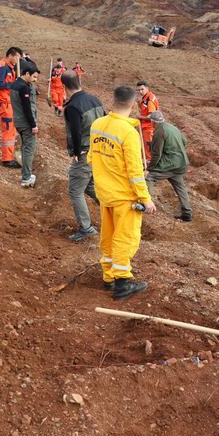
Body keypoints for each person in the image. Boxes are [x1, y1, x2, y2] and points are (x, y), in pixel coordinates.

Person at [89, 85, 156, 300]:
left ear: (113, 100)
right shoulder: (127, 133)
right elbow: (135, 172)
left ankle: (108, 276)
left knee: (108, 235)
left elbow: (92, 157)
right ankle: (122, 282)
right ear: (134, 104)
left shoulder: (97, 125)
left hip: (104, 193)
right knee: (125, 238)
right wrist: (146, 199)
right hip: (124, 197)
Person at [61, 70, 104, 241]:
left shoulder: (72, 107)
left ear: (64, 87)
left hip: (86, 152)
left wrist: (77, 153)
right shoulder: (95, 99)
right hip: (100, 151)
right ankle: (115, 211)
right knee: (90, 186)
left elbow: (76, 133)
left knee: (75, 191)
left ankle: (86, 228)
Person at [146, 111, 192, 222]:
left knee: (149, 178)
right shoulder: (173, 127)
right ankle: (187, 213)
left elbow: (157, 154)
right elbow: (184, 141)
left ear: (153, 122)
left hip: (170, 164)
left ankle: (145, 205)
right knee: (180, 187)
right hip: (181, 163)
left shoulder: (159, 132)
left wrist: (149, 168)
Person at [10, 61, 40, 188]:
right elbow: (27, 108)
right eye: (34, 77)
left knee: (25, 147)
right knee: (29, 149)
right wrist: (33, 125)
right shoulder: (23, 87)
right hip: (26, 123)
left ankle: (25, 174)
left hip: (18, 121)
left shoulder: (15, 84)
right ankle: (26, 178)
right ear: (26, 73)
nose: (35, 80)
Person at [0, 47, 22, 168]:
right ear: (11, 55)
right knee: (8, 130)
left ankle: (9, 156)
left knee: (11, 130)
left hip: (6, 102)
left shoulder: (8, 67)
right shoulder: (3, 67)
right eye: (18, 57)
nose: (18, 60)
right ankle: (7, 160)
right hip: (3, 103)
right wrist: (13, 85)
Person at [135, 80, 159, 160]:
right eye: (138, 90)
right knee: (145, 147)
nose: (140, 91)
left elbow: (152, 116)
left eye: (142, 89)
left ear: (147, 88)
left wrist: (140, 117)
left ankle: (149, 165)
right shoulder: (145, 97)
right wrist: (139, 103)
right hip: (145, 126)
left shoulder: (150, 100)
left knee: (148, 148)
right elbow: (144, 109)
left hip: (149, 128)